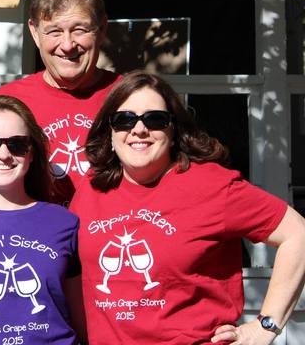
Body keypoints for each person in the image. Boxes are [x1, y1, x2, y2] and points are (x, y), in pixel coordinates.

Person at [70, 70, 305, 344]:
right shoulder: (91, 189)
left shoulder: (212, 186)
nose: (139, 129)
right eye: (124, 120)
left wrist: (266, 326)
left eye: (155, 119)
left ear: (173, 130)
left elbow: (297, 234)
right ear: (109, 131)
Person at [0, 95, 86, 344]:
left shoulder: (64, 223)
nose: (3, 154)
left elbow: (83, 321)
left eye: (17, 144)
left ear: (32, 153)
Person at [0, 0, 119, 204]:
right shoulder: (7, 102)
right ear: (34, 32)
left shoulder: (128, 97)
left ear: (102, 29)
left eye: (80, 30)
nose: (68, 45)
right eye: (54, 31)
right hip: (31, 237)